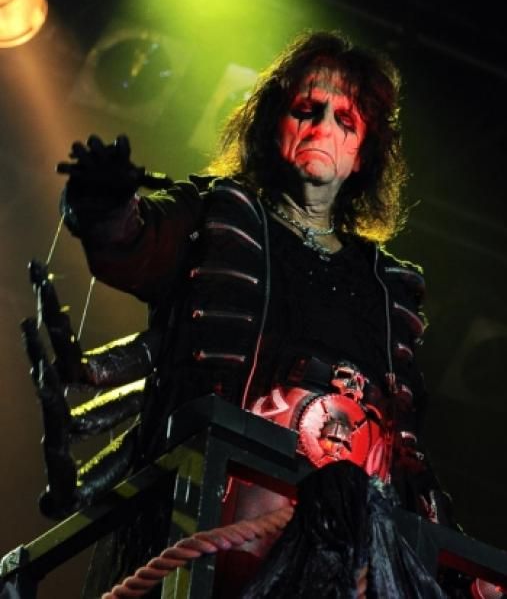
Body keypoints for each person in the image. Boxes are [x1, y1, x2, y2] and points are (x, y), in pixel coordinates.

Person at [59, 30, 454, 597]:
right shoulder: (218, 215)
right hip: (218, 514)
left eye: (345, 118)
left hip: (350, 548)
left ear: (365, 152)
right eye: (307, 109)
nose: (322, 127)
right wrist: (104, 203)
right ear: (275, 123)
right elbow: (137, 241)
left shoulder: (389, 286)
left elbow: (407, 443)